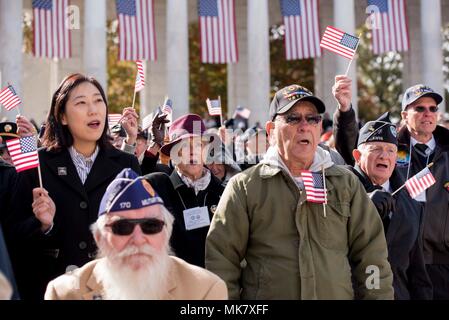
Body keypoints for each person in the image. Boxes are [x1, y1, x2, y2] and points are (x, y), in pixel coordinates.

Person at [205, 84, 393, 299]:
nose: (304, 126)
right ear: (271, 131)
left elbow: (372, 257)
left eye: (312, 119)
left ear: (320, 127)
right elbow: (221, 262)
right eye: (293, 118)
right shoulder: (245, 187)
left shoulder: (345, 184)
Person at [5, 73, 141, 300]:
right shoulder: (37, 164)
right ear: (62, 116)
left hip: (111, 289)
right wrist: (43, 225)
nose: (93, 110)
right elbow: (12, 234)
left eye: (98, 101)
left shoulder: (126, 164)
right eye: (81, 103)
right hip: (51, 288)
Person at [44, 168, 227, 300]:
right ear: (99, 238)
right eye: (122, 227)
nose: (138, 240)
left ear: (167, 233)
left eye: (151, 226)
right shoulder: (64, 293)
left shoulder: (205, 290)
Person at [145, 114, 224, 268]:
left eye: (199, 145)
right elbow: (124, 179)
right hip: (170, 285)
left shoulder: (224, 192)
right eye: (185, 146)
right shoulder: (159, 186)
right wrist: (155, 145)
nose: (193, 152)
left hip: (214, 285)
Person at [396, 84, 449, 299]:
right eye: (419, 108)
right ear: (404, 115)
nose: (427, 113)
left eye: (432, 108)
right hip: (403, 260)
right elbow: (351, 151)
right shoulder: (388, 149)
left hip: (442, 261)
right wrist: (344, 113)